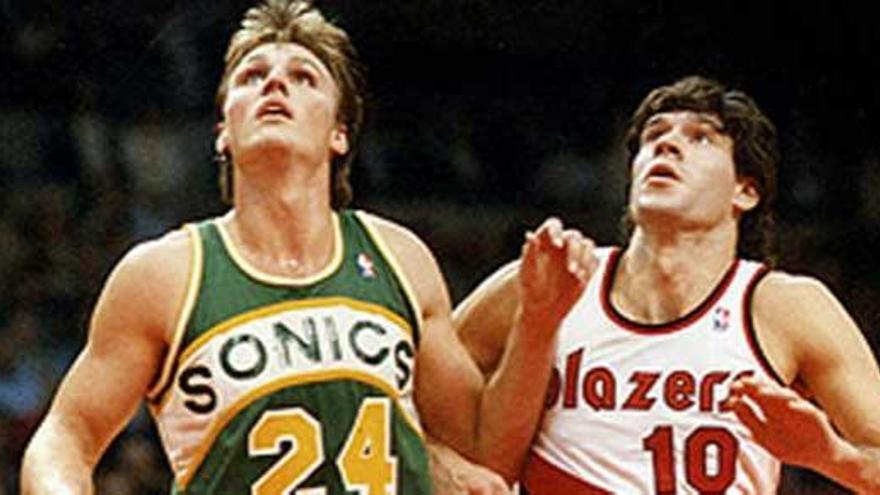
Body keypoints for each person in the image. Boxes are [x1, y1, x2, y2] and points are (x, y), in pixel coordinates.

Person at [20, 1, 592, 493]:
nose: (274, 84)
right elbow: (65, 438)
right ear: (223, 128)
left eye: (303, 76)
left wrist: (538, 323)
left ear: (339, 132)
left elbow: (479, 449)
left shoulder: (399, 256)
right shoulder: (164, 273)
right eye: (251, 76)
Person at [454, 76, 880, 493]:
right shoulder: (552, 281)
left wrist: (827, 457)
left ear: (745, 191)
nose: (667, 143)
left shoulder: (786, 307)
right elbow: (413, 394)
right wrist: (445, 463)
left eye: (701, 138)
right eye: (654, 135)